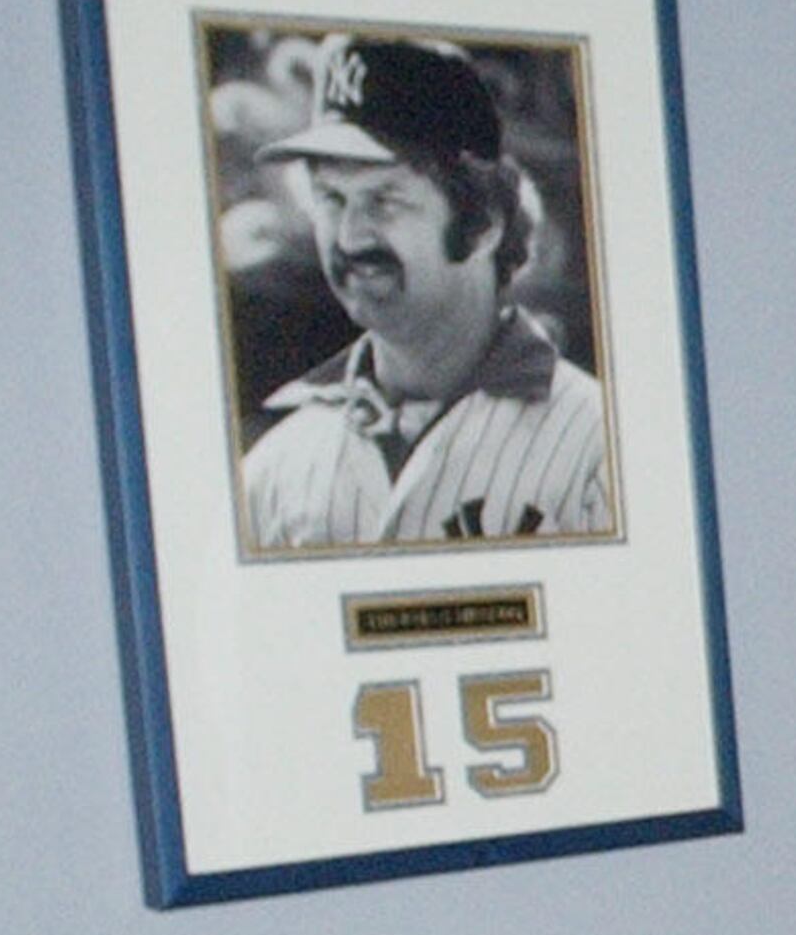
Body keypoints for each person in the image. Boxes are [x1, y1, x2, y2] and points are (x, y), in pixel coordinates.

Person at [238, 34, 614, 549]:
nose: (349, 236)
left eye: (385, 200)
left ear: (483, 221)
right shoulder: (273, 471)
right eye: (330, 198)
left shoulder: (599, 445)